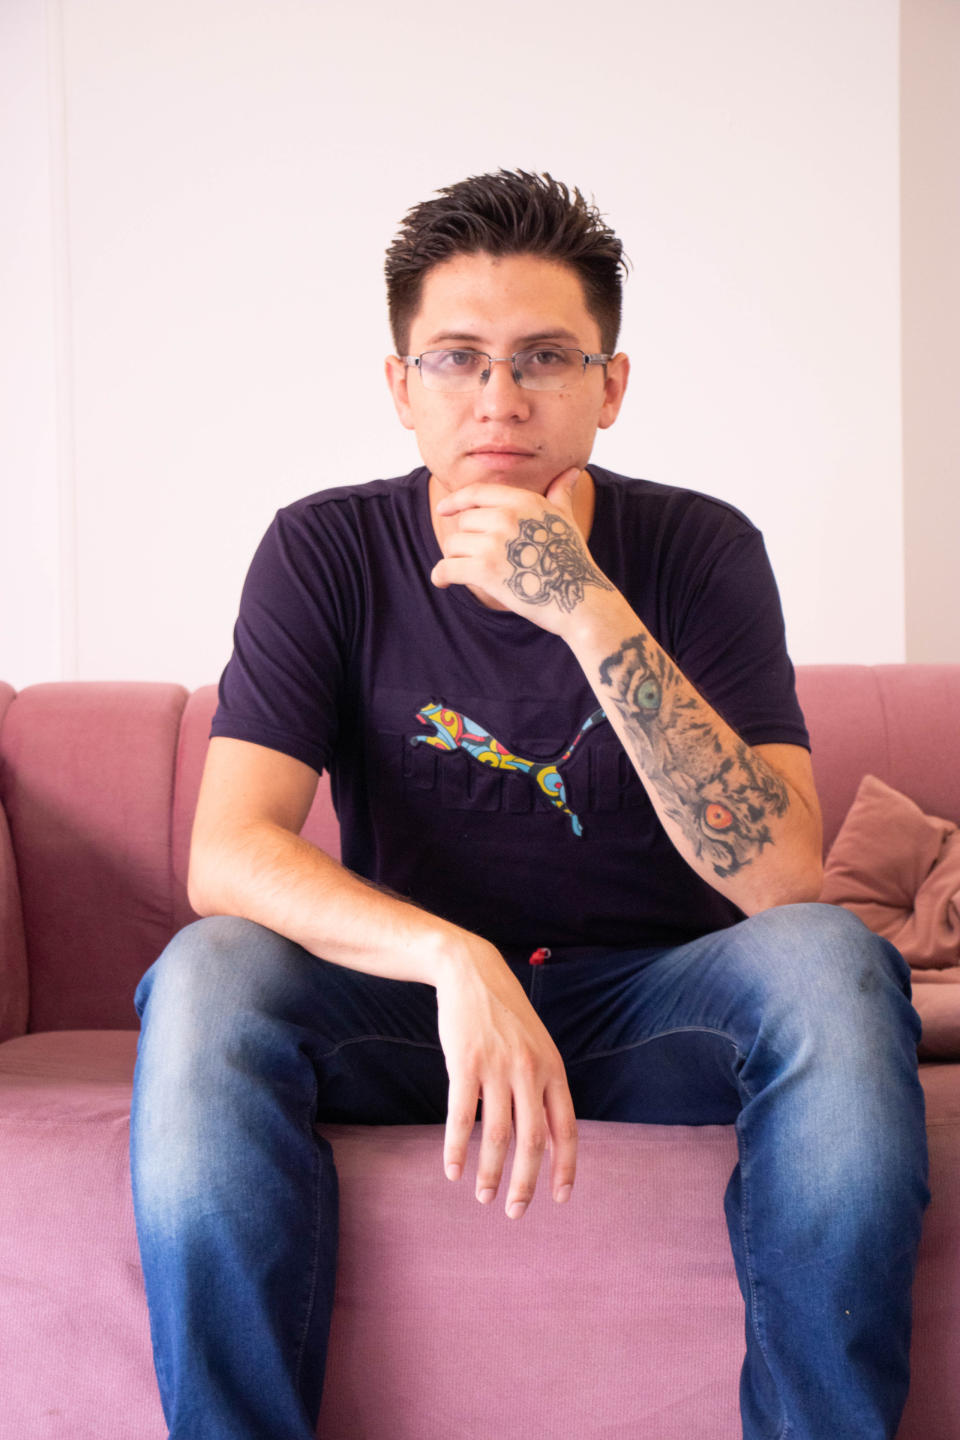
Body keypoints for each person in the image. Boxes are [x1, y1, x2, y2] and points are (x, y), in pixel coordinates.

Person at [129, 169, 929, 1440]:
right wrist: (456, 961)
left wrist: (583, 605)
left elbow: (781, 880)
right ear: (401, 387)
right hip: (417, 1011)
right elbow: (228, 853)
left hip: (657, 1006)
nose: (499, 398)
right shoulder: (325, 553)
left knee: (833, 962)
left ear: (612, 386)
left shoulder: (702, 550)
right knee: (209, 971)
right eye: (457, 358)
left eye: (546, 357)